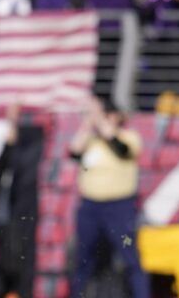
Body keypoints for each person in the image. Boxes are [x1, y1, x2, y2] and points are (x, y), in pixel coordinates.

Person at [69, 96, 149, 298]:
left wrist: (99, 118)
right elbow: (73, 151)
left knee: (130, 256)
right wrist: (87, 124)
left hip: (119, 209)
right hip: (90, 209)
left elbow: (120, 147)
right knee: (83, 259)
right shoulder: (92, 141)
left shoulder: (128, 137)